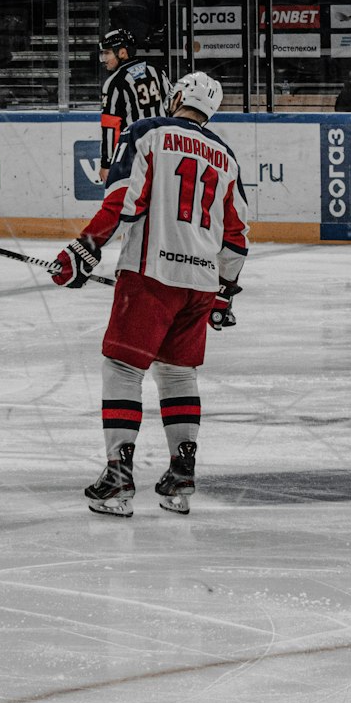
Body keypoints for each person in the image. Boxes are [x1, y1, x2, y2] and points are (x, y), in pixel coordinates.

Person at [51, 71, 249, 517]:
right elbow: (236, 237)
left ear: (177, 96)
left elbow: (124, 201)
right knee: (178, 374)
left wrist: (86, 247)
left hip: (150, 273)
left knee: (122, 367)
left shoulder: (147, 131)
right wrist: (224, 293)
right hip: (200, 284)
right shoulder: (225, 156)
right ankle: (182, 473)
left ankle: (119, 475)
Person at [98, 27, 170, 181]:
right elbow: (172, 109)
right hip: (164, 150)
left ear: (122, 52)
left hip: (134, 154)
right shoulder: (157, 71)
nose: (103, 58)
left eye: (107, 53)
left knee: (133, 201)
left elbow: (111, 126)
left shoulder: (114, 82)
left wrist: (107, 163)